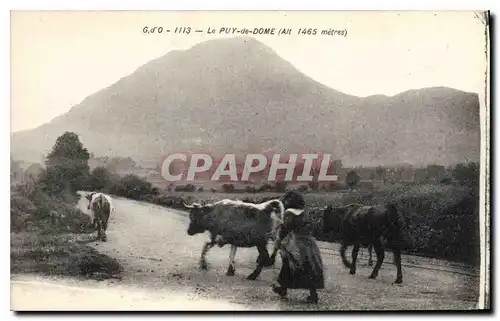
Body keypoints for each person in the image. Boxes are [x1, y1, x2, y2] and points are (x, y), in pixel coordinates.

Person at [271, 205, 325, 304]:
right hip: (309, 244)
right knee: (309, 267)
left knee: (288, 265)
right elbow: (314, 226)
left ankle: (283, 289)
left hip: (297, 243)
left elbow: (284, 230)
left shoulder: (289, 213)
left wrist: (276, 248)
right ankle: (313, 294)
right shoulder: (305, 212)